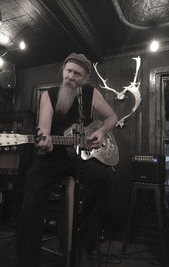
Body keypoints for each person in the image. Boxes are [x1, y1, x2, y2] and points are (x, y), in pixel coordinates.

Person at [16, 53, 118, 267]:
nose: (71, 76)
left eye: (77, 73)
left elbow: (112, 117)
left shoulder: (91, 93)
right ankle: (27, 258)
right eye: (68, 71)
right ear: (63, 71)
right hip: (54, 154)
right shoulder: (50, 95)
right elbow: (43, 128)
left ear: (85, 78)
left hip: (83, 155)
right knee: (33, 183)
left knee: (103, 179)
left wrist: (100, 132)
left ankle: (86, 243)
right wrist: (45, 141)